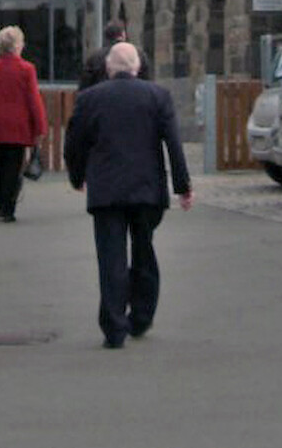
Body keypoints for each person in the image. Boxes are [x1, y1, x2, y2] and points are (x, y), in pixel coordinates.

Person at [63, 40, 193, 348]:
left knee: (111, 257)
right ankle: (142, 316)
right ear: (136, 67)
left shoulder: (90, 98)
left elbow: (74, 143)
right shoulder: (157, 96)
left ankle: (114, 326)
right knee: (144, 250)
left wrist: (77, 177)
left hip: (107, 190)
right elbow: (173, 144)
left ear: (109, 69)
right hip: (147, 190)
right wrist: (183, 187)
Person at [0, 24, 47, 222]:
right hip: (18, 124)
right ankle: (8, 207)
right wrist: (40, 127)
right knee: (14, 165)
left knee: (0, 161)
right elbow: (34, 100)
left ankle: (0, 202)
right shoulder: (27, 69)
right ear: (17, 46)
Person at [77, 19, 150, 90]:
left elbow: (85, 85)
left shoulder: (95, 58)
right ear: (123, 34)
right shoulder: (138, 55)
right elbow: (146, 80)